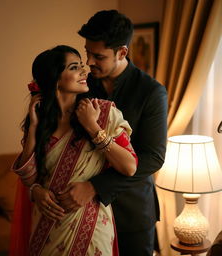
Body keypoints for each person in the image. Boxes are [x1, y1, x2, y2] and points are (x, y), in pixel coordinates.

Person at [57, 10, 168, 256]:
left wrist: (96, 186)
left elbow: (153, 157)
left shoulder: (152, 92)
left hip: (131, 214)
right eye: (87, 52)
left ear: (122, 52)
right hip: (82, 213)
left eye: (98, 56)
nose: (90, 62)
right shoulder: (83, 85)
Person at [9, 45, 138, 256]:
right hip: (46, 227)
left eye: (81, 65)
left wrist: (93, 127)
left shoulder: (103, 112)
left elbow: (130, 166)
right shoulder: (41, 122)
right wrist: (36, 191)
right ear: (55, 78)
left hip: (91, 228)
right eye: (74, 67)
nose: (84, 71)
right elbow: (29, 177)